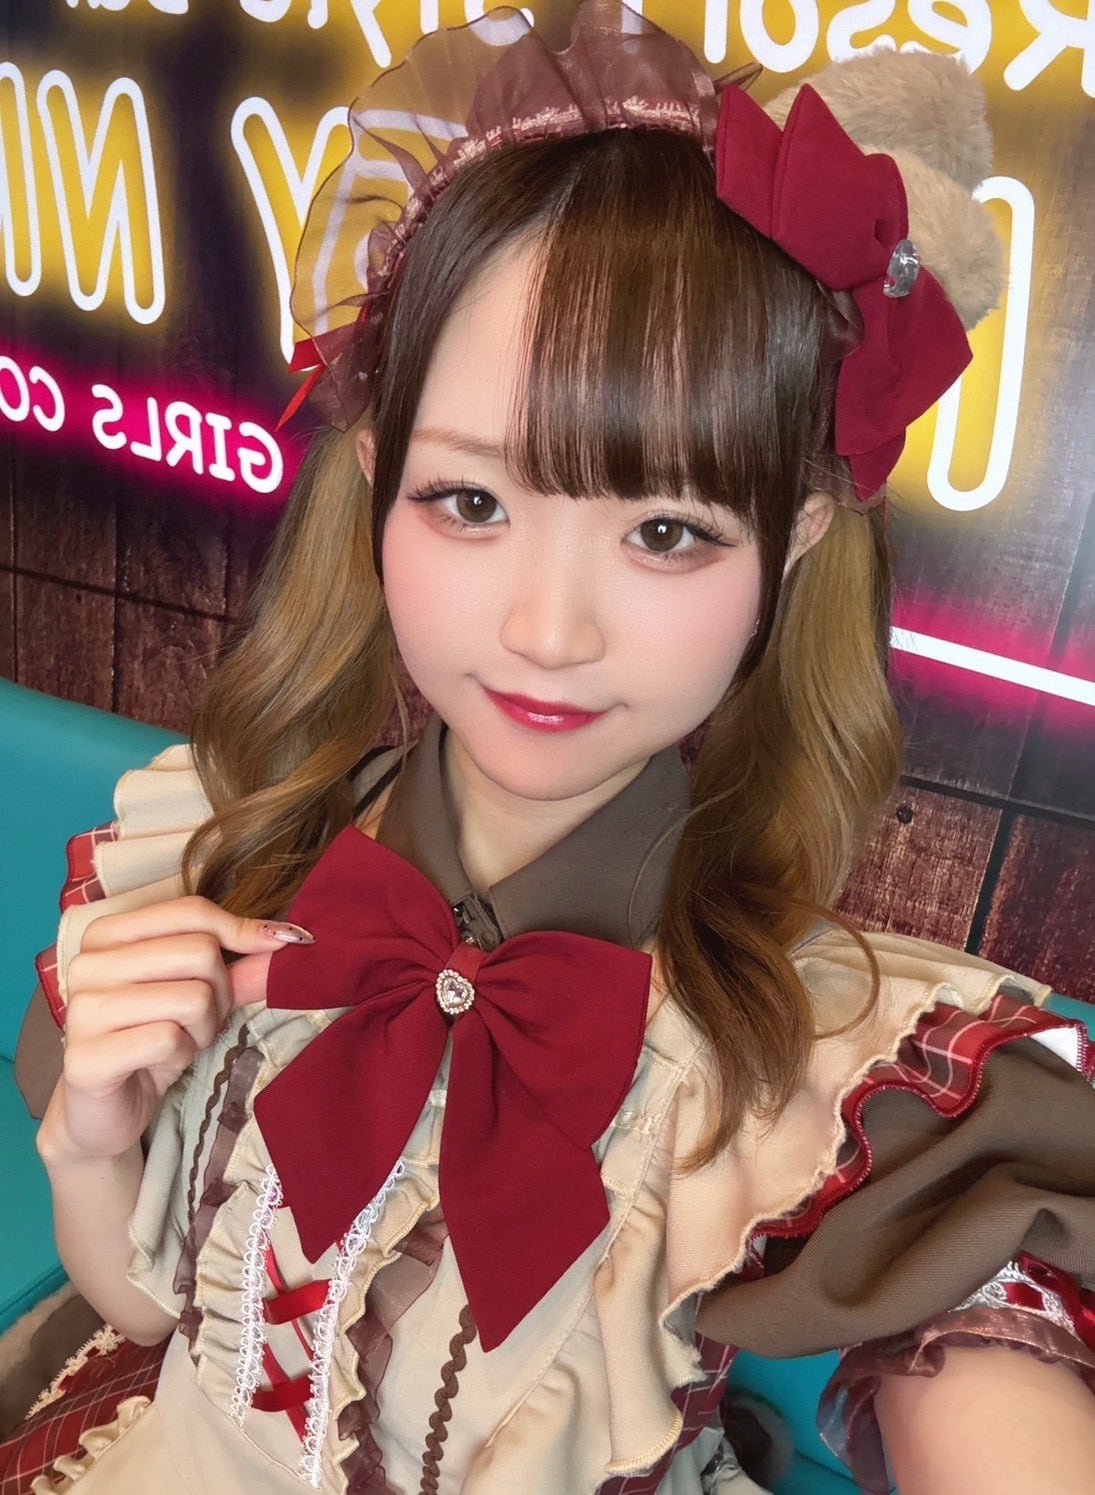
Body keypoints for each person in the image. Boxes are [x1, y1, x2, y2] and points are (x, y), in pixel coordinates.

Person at [11, 3, 1095, 1491]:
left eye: (666, 532)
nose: (548, 629)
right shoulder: (219, 850)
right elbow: (149, 1318)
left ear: (793, 543)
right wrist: (88, 1141)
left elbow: (986, 1360)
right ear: (378, 474)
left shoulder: (813, 1054)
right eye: (471, 503)